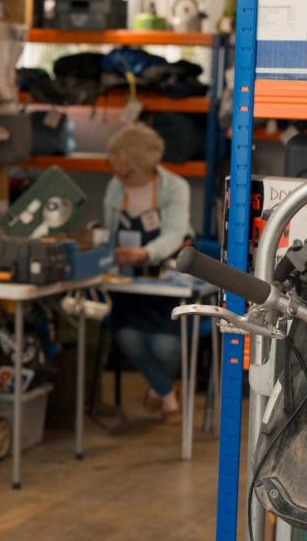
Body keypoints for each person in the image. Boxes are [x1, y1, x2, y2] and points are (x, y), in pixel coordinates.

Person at [103, 122, 193, 424]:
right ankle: (167, 394)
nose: (120, 179)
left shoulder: (175, 187)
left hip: (165, 284)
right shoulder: (115, 188)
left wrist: (146, 253)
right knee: (128, 338)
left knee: (165, 347)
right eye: (117, 172)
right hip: (127, 285)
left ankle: (159, 390)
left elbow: (175, 233)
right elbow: (109, 229)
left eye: (126, 174)